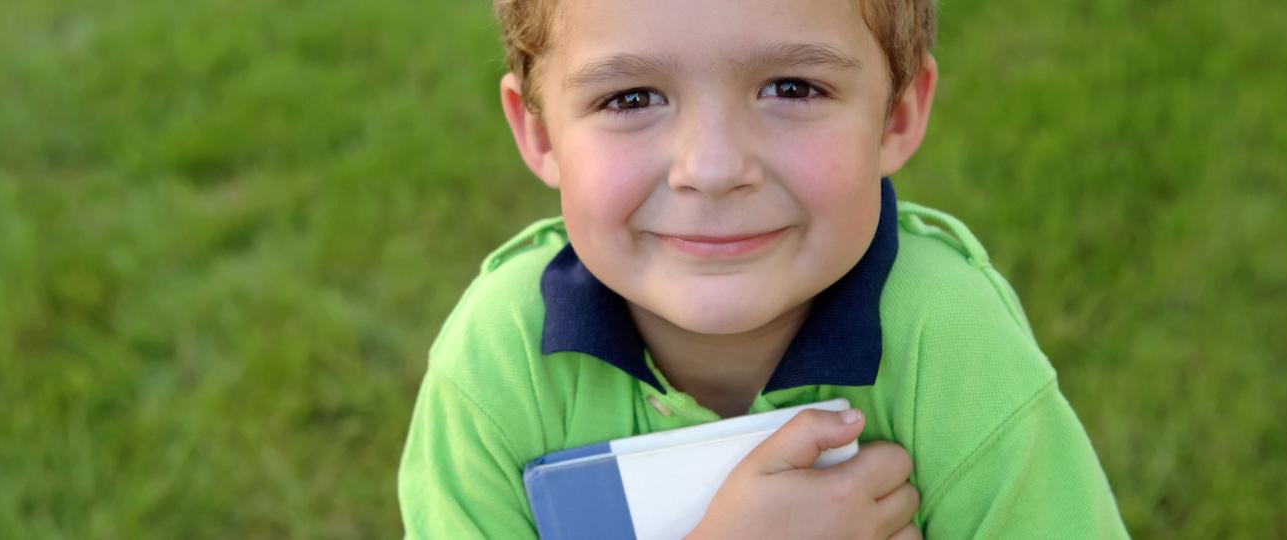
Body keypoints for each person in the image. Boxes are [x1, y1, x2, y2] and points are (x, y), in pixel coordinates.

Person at [399, 0, 1129, 537]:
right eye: (631, 98)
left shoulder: (954, 346)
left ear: (897, 115)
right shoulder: (496, 365)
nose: (712, 170)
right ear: (539, 132)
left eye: (792, 88)